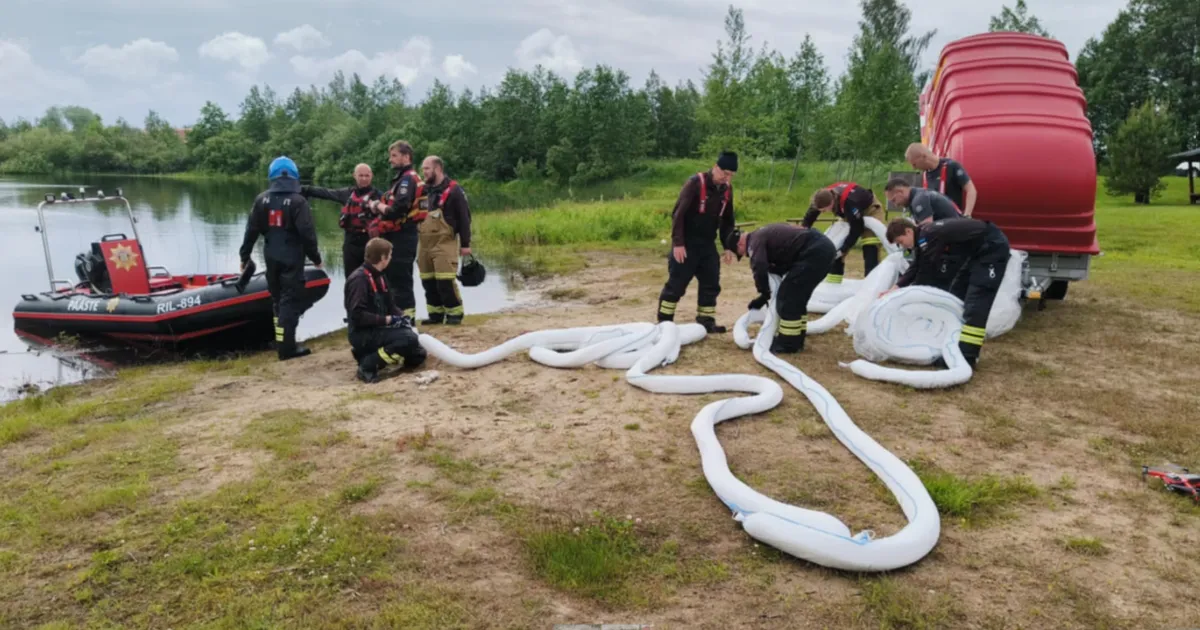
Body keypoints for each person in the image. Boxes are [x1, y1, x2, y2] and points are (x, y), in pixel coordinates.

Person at [884, 217, 1010, 368]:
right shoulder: (923, 237)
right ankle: (953, 344)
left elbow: (927, 270)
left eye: (900, 241)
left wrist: (912, 297)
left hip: (991, 249)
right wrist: (896, 288)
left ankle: (967, 357)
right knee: (956, 294)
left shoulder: (928, 236)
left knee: (976, 303)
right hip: (976, 253)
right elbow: (917, 266)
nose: (902, 246)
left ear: (909, 231)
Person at [239, 156, 322, 361]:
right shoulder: (298, 201)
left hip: (271, 255)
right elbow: (307, 234)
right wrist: (316, 258)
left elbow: (251, 231)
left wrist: (244, 256)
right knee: (290, 301)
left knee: (277, 300)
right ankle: (287, 348)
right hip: (292, 257)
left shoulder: (261, 200)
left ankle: (282, 342)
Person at [656, 151, 739, 333]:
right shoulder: (695, 183)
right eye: (725, 173)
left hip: (708, 244)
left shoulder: (727, 191)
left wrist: (728, 246)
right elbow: (678, 214)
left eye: (731, 175)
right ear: (716, 168)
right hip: (686, 243)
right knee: (677, 284)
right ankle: (664, 322)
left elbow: (727, 221)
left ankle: (706, 321)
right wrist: (678, 243)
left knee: (711, 283)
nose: (727, 178)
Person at [727, 223, 835, 354]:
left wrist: (764, 293)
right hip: (821, 249)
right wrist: (765, 293)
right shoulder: (762, 234)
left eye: (742, 254)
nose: (745, 256)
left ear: (740, 245)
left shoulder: (754, 242)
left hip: (814, 252)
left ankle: (788, 344)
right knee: (798, 299)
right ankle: (796, 339)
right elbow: (783, 259)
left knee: (788, 298)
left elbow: (759, 266)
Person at [344, 237, 427, 383]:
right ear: (383, 258)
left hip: (378, 329)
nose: (391, 258)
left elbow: (391, 306)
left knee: (418, 354)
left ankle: (372, 354)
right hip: (362, 333)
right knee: (408, 339)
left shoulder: (380, 277)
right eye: (390, 255)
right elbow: (357, 315)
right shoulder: (359, 280)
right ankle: (368, 364)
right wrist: (387, 320)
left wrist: (402, 317)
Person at [365, 141, 423, 319]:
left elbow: (398, 209)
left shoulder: (407, 180)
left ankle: (406, 319)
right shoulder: (401, 179)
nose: (390, 160)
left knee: (400, 279)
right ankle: (399, 316)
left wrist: (377, 205)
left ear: (406, 157)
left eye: (394, 156)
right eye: (391, 156)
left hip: (404, 235)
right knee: (394, 278)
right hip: (398, 235)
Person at [414, 155, 472, 325]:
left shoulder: (454, 190)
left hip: (444, 242)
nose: (423, 172)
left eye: (426, 168)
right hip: (424, 243)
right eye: (423, 168)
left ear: (437, 169)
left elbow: (464, 219)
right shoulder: (424, 191)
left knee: (445, 280)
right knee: (427, 280)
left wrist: (465, 245)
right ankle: (435, 314)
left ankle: (455, 313)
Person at [300, 163, 382, 279]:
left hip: (370, 243)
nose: (364, 179)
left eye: (367, 176)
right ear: (354, 175)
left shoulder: (379, 197)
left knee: (373, 280)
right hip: (351, 243)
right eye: (360, 175)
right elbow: (325, 193)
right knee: (351, 279)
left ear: (371, 176)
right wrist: (301, 190)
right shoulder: (347, 194)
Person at [800, 181, 884, 283]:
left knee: (870, 245)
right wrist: (803, 233)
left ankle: (871, 283)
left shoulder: (850, 202)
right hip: (848, 214)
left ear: (831, 203)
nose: (822, 212)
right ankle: (833, 284)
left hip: (870, 210)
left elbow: (856, 228)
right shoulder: (822, 197)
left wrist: (845, 248)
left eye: (824, 210)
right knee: (835, 247)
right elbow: (809, 217)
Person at [905, 143, 977, 216]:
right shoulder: (925, 174)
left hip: (953, 219)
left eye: (914, 164)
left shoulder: (951, 166)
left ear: (924, 156)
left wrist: (967, 214)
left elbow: (971, 189)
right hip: (936, 222)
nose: (914, 168)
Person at [884, 178, 962, 226]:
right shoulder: (919, 193)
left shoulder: (918, 199)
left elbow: (927, 228)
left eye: (894, 200)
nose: (896, 205)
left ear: (900, 192)